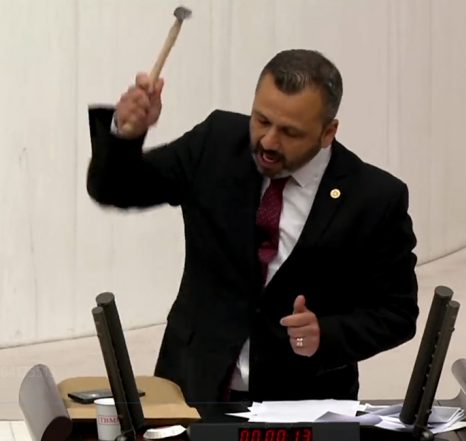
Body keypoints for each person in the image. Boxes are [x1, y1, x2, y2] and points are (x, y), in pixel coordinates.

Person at [86, 49, 418, 403]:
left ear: (328, 132)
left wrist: (327, 334)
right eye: (261, 120)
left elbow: (397, 313)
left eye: (290, 132)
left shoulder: (373, 198)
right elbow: (115, 189)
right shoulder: (215, 144)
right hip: (195, 389)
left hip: (302, 402)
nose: (269, 142)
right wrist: (125, 134)